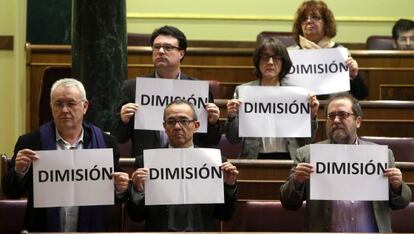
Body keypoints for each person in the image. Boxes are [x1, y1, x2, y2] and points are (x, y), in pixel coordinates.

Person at [2, 78, 129, 232]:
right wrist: (19, 171)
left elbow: (114, 195)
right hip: (43, 229)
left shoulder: (106, 143)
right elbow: (11, 191)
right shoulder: (30, 142)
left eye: (71, 104)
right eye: (58, 104)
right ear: (51, 107)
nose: (64, 110)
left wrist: (120, 188)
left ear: (85, 106)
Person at [280, 92, 412, 232]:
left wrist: (397, 186)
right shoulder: (307, 155)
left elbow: (401, 203)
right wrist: (297, 181)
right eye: (331, 116)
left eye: (343, 115)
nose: (336, 120)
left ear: (358, 121)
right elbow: (289, 203)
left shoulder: (382, 156)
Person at [127, 99, 238, 231]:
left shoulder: (216, 163)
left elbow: (225, 214)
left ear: (196, 126)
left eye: (184, 121)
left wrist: (229, 185)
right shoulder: (145, 163)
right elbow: (136, 216)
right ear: (164, 126)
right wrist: (138, 191)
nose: (177, 126)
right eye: (171, 121)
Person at [112, 25, 221, 158]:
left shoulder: (198, 89)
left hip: (189, 165)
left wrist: (212, 122)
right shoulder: (132, 88)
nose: (161, 51)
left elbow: (210, 141)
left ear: (181, 53)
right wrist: (123, 120)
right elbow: (119, 138)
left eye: (168, 47)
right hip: (147, 165)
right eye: (157, 47)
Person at [225, 37, 319, 160]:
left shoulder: (297, 94)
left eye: (276, 58)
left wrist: (312, 116)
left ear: (283, 62)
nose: (270, 62)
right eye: (265, 57)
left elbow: (307, 140)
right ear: (258, 62)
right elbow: (233, 139)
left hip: (290, 159)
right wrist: (232, 117)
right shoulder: (243, 92)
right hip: (254, 158)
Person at [292, 0, 368, 100]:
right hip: (300, 110)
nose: (309, 21)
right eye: (304, 18)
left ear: (326, 23)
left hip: (333, 112)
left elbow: (361, 95)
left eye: (315, 17)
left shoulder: (339, 53)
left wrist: (354, 76)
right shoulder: (291, 54)